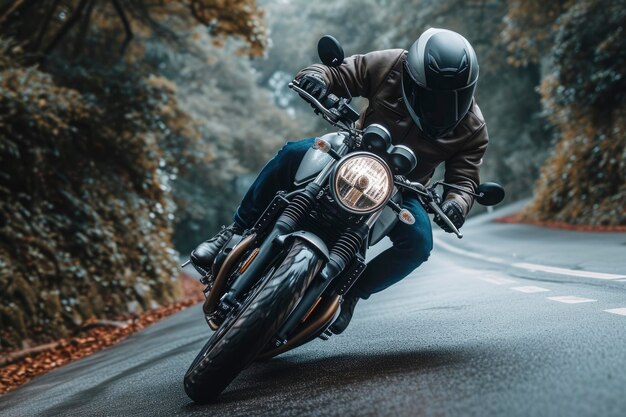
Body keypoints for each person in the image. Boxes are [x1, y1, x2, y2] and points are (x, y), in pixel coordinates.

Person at [191, 28, 489, 334]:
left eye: (450, 96)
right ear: (412, 74)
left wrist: (455, 203)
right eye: (431, 93)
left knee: (419, 243)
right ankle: (233, 234)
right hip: (352, 151)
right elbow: (343, 71)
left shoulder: (473, 129)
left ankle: (349, 293)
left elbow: (464, 180)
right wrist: (317, 78)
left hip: (402, 187)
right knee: (292, 153)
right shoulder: (391, 65)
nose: (438, 104)